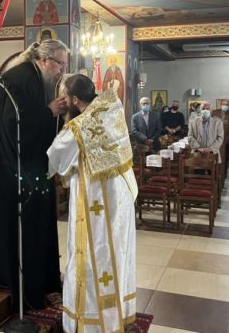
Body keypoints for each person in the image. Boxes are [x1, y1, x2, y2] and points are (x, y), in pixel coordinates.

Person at [0, 40, 68, 310]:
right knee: (26, 227)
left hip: (21, 168)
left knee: (40, 217)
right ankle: (28, 289)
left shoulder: (33, 77)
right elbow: (15, 126)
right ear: (44, 60)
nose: (61, 71)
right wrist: (50, 111)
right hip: (6, 171)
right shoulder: (23, 78)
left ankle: (44, 283)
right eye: (60, 64)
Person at [48, 77, 137, 333]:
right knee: (117, 252)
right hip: (121, 196)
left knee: (94, 253)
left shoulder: (78, 127)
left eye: (65, 96)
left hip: (96, 200)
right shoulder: (112, 106)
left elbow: (55, 157)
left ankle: (93, 322)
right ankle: (119, 312)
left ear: (75, 99)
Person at [213, 102, 229, 176]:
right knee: (214, 156)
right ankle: (215, 172)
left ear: (228, 106)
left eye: (226, 105)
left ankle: (224, 173)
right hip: (214, 140)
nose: (225, 106)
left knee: (225, 157)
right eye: (223, 104)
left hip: (226, 140)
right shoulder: (215, 112)